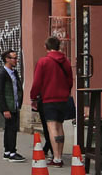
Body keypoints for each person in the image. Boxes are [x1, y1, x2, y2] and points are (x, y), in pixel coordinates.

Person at [30, 35, 75, 167]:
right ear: (59, 46)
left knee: (52, 127)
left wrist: (33, 97)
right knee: (60, 126)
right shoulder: (65, 61)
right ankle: (59, 155)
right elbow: (70, 80)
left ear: (46, 47)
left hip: (49, 98)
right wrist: (66, 92)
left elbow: (37, 82)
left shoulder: (43, 62)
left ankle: (56, 158)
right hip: (63, 98)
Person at [0, 50, 26, 161]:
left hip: (14, 104)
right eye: (14, 58)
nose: (16, 60)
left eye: (16, 58)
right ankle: (12, 152)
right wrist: (5, 109)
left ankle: (7, 152)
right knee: (11, 128)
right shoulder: (1, 73)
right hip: (8, 105)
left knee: (9, 128)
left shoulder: (14, 72)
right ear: (7, 59)